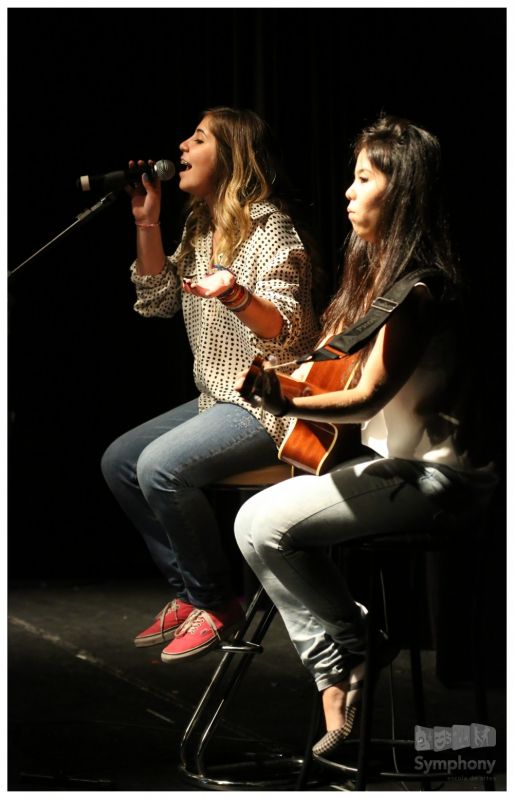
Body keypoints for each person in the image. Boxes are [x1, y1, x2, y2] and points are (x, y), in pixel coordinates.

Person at [234, 115, 497, 759]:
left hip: (442, 480)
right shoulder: (390, 285)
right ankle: (348, 650)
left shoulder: (419, 290)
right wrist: (290, 385)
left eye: (362, 178)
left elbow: (369, 397)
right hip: (405, 472)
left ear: (400, 191)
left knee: (259, 524)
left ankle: (348, 649)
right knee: (259, 524)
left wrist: (282, 394)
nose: (348, 192)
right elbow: (346, 373)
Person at [101, 107, 320, 663]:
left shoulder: (271, 227)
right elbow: (157, 300)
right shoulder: (200, 226)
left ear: (232, 156)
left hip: (268, 399)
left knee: (159, 467)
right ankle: (190, 589)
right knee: (121, 461)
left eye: (198, 138)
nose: (182, 144)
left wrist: (236, 294)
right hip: (214, 397)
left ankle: (217, 601)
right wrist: (146, 224)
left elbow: (292, 331)